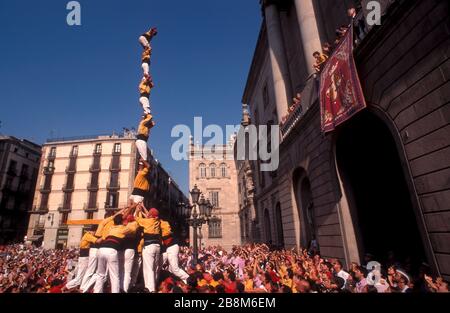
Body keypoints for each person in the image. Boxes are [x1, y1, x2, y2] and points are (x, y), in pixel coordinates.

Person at [93, 207, 138, 293]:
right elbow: (133, 227)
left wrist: (121, 212)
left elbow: (114, 218)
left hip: (101, 250)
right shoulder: (123, 229)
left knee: (100, 274)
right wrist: (135, 214)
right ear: (122, 221)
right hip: (111, 251)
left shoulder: (111, 227)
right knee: (115, 276)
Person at [135, 206, 161, 292]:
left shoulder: (146, 221)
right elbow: (149, 216)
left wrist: (137, 210)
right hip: (157, 246)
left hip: (149, 246)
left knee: (148, 268)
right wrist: (143, 207)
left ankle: (150, 289)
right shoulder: (157, 221)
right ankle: (154, 285)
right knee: (155, 267)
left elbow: (136, 218)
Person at [160, 219, 189, 283]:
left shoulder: (163, 223)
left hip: (172, 247)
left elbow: (149, 217)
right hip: (168, 249)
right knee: (166, 268)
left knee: (175, 269)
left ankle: (189, 279)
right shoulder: (159, 223)